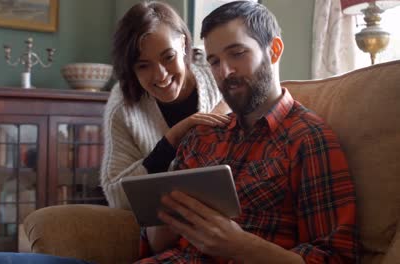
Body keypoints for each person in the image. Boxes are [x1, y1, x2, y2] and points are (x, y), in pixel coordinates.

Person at [136, 1, 359, 263]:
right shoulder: (202, 138)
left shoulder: (308, 139)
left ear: (274, 50)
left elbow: (337, 258)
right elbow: (157, 243)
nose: (225, 72)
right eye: (215, 61)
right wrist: (170, 210)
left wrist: (242, 246)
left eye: (237, 53)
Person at [101, 1, 231, 209]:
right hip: (164, 222)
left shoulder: (219, 79)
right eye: (143, 65)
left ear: (182, 44)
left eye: (168, 57)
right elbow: (117, 197)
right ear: (131, 68)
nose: (161, 75)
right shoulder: (124, 106)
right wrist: (171, 141)